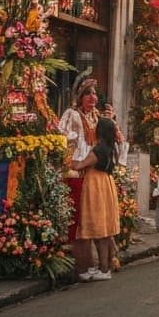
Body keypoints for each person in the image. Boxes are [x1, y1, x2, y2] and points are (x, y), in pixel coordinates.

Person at [70, 117, 122, 280]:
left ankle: (104, 269)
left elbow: (78, 166)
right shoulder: (111, 147)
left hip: (96, 186)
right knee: (104, 230)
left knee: (99, 227)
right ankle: (103, 267)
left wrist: (69, 154)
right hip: (106, 183)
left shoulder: (98, 150)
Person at [58, 79, 104, 244]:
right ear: (80, 96)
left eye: (94, 93)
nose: (92, 97)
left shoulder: (97, 116)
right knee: (75, 211)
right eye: (87, 93)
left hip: (93, 170)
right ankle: (74, 247)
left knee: (91, 213)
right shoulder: (71, 113)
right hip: (75, 168)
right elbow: (60, 136)